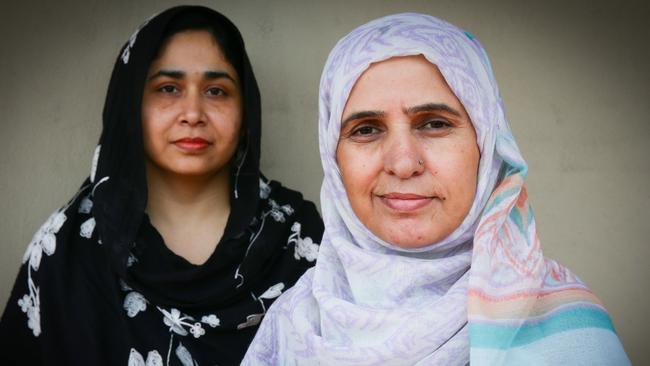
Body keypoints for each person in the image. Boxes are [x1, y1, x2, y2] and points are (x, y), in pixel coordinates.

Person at [242, 13, 630, 365]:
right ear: (333, 157)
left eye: (435, 124)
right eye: (366, 129)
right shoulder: (296, 325)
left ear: (486, 144)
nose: (403, 163)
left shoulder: (566, 328)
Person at [0, 6, 323, 365]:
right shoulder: (69, 248)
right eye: (168, 88)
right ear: (131, 106)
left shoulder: (298, 239)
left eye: (216, 91)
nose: (193, 113)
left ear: (246, 111)